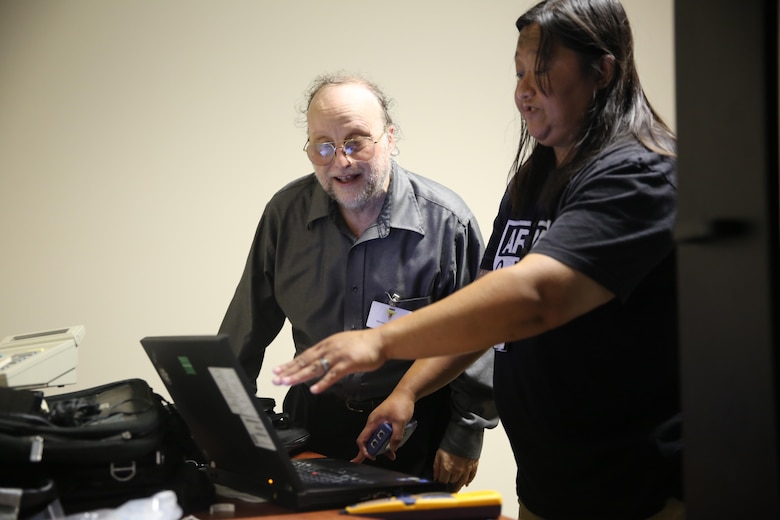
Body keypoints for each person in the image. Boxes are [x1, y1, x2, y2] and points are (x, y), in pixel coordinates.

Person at [273, 1, 683, 519]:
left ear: (601, 71)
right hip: (552, 485)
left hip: (638, 491)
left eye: (542, 72)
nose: (523, 91)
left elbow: (533, 298)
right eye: (518, 72)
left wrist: (377, 342)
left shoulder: (640, 175)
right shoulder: (533, 181)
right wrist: (407, 393)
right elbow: (486, 318)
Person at [219, 72, 497, 491]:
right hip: (312, 424)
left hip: (415, 427)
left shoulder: (446, 222)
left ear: (390, 136)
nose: (340, 161)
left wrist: (466, 434)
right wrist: (225, 422)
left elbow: (480, 334)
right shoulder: (285, 215)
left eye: (356, 141)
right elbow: (246, 327)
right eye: (323, 146)